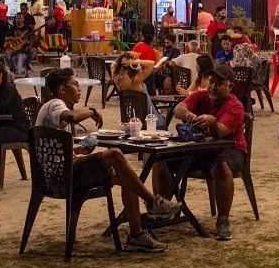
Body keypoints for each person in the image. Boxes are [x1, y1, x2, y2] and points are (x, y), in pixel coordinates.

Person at [35, 69, 179, 252]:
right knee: (115, 155)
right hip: (63, 176)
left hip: (58, 174)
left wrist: (78, 150)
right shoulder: (55, 103)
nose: (79, 89)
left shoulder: (51, 108)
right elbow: (71, 117)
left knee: (126, 176)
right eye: (76, 85)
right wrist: (92, 111)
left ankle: (137, 236)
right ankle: (153, 203)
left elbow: (53, 149)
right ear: (62, 89)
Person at [169, 64, 248, 240]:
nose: (213, 87)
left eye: (219, 84)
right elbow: (177, 109)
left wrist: (212, 122)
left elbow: (220, 133)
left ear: (230, 87)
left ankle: (223, 220)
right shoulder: (200, 95)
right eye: (211, 82)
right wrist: (187, 113)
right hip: (200, 149)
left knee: (222, 168)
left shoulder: (235, 106)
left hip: (230, 149)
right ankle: (160, 210)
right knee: (161, 160)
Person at [111, 51, 169, 125]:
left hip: (133, 120)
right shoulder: (135, 81)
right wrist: (132, 62)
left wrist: (122, 62)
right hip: (150, 120)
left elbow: (113, 65)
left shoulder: (118, 81)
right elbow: (151, 64)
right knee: (165, 118)